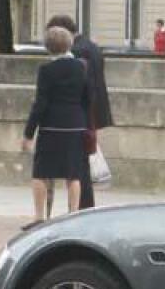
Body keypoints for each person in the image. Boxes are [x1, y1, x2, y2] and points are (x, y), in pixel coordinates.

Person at [21, 26, 90, 226]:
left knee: (41, 172)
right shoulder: (81, 67)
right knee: (73, 174)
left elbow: (40, 104)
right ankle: (73, 215)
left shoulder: (46, 70)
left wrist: (28, 133)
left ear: (48, 47)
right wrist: (83, 122)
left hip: (51, 127)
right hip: (75, 126)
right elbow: (87, 99)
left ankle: (40, 216)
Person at [46, 14, 113, 209]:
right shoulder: (90, 46)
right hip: (91, 111)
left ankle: (82, 207)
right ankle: (84, 205)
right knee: (81, 164)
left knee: (79, 167)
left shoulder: (77, 51)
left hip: (82, 114)